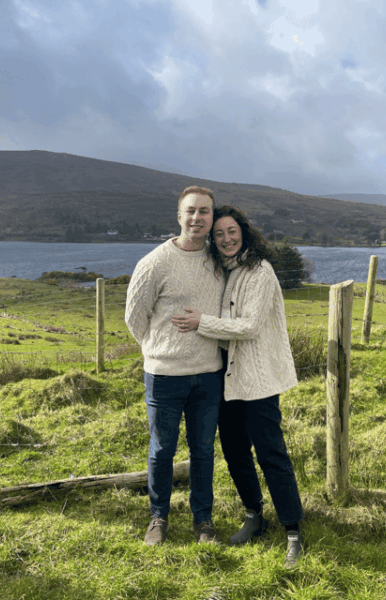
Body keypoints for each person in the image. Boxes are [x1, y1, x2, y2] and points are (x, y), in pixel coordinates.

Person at [171, 205, 305, 567]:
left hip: (259, 380)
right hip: (227, 379)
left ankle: (293, 531)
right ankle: (254, 516)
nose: (227, 239)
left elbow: (248, 327)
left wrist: (201, 322)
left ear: (243, 233)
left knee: (271, 453)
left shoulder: (259, 271)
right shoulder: (224, 271)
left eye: (232, 232)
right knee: (234, 453)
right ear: (213, 240)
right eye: (219, 234)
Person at [125, 185, 225, 546]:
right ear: (179, 216)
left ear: (212, 218)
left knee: (202, 451)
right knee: (162, 450)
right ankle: (158, 517)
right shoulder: (154, 263)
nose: (197, 218)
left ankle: (204, 522)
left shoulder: (220, 261)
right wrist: (159, 350)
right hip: (164, 376)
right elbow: (134, 317)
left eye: (205, 212)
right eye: (191, 211)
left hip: (209, 374)